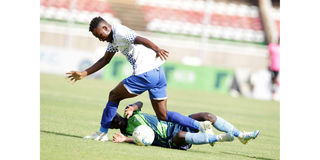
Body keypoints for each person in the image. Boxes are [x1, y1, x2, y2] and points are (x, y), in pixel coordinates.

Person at [66, 17, 213, 142]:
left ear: (106, 27)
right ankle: (199, 126)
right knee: (163, 115)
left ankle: (102, 133)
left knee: (113, 95)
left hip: (145, 73)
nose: (100, 39)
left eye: (100, 35)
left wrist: (156, 48)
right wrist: (84, 73)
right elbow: (105, 59)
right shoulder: (113, 41)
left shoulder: (120, 32)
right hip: (158, 72)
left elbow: (139, 39)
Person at [111, 101, 260, 150]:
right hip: (171, 139)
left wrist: (133, 107)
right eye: (112, 120)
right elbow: (140, 140)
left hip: (175, 124)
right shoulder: (127, 132)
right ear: (112, 126)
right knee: (180, 135)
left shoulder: (129, 112)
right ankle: (219, 138)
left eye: (115, 115)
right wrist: (125, 140)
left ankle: (241, 136)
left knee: (208, 116)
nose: (116, 118)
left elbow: (140, 103)